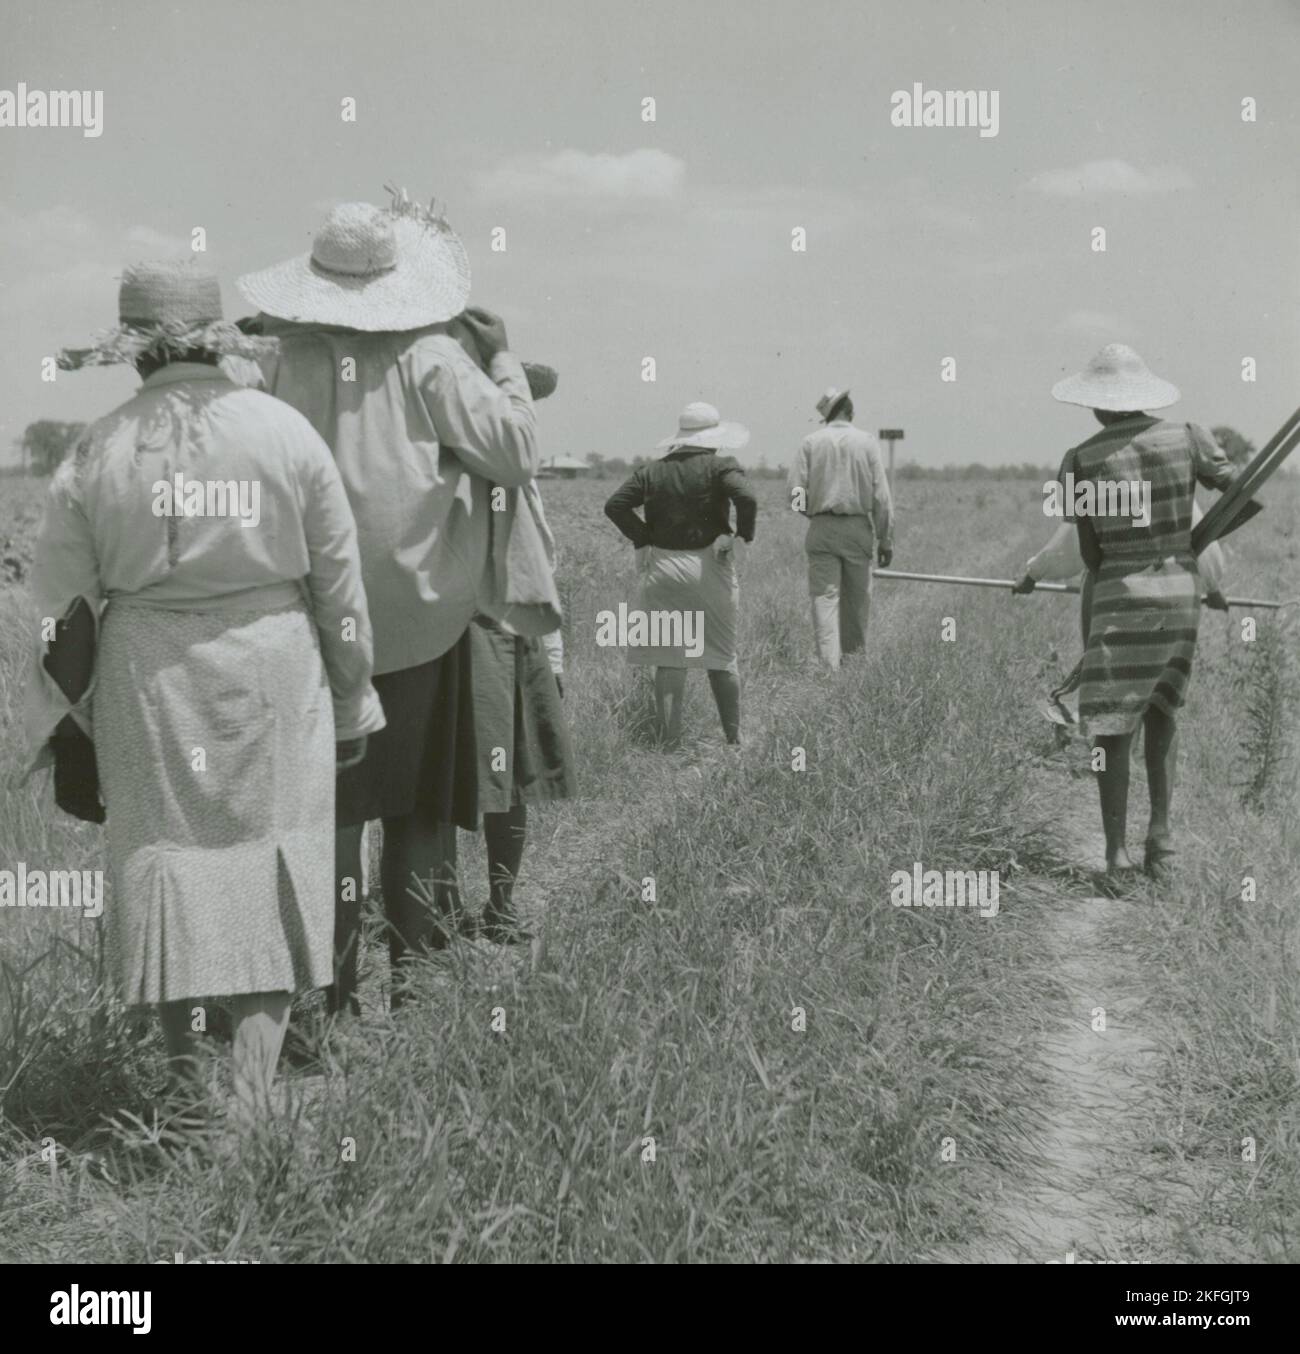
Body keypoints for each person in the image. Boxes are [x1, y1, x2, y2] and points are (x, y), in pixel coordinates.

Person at [28, 258, 385, 1118]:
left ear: (134, 352)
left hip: (149, 678)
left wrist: (63, 731)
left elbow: (62, 614)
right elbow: (339, 587)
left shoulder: (96, 449)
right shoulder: (286, 433)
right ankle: (255, 1097)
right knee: (271, 864)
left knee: (172, 870)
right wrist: (353, 699)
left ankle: (189, 1097)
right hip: (274, 670)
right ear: (216, 340)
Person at [238, 192, 569, 1001]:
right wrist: (503, 365)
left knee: (331, 820)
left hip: (311, 622)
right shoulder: (430, 357)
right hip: (423, 617)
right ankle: (416, 984)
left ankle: (334, 992)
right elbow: (516, 452)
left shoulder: (279, 360)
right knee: (417, 813)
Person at [1021, 343, 1237, 884]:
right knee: (1163, 713)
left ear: (1096, 406)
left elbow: (1091, 555)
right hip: (1180, 592)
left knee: (1111, 728)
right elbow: (1237, 494)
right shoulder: (1188, 436)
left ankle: (1116, 856)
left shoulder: (1082, 460)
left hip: (1121, 595)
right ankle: (1161, 844)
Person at [604, 402, 756, 748]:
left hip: (662, 568)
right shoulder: (721, 466)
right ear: (713, 438)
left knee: (670, 660)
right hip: (708, 566)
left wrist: (642, 538)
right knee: (720, 657)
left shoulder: (652, 470)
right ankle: (733, 740)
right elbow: (746, 497)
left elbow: (615, 506)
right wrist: (740, 537)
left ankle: (669, 742)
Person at [787, 387, 894, 669]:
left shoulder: (810, 442)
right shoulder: (867, 442)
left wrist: (812, 513)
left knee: (824, 601)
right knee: (857, 602)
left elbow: (795, 492)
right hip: (857, 527)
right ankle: (854, 665)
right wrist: (885, 540)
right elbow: (882, 497)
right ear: (849, 409)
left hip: (821, 527)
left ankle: (828, 669)